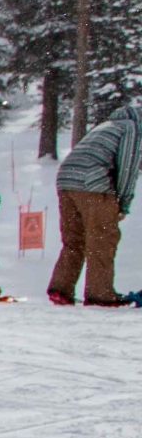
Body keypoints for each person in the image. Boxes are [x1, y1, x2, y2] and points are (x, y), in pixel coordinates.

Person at [51, 101, 142, 307]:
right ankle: (100, 294)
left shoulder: (106, 126)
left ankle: (61, 288)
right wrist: (123, 202)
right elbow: (128, 166)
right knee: (102, 239)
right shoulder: (133, 128)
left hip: (66, 180)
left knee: (75, 239)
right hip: (93, 183)